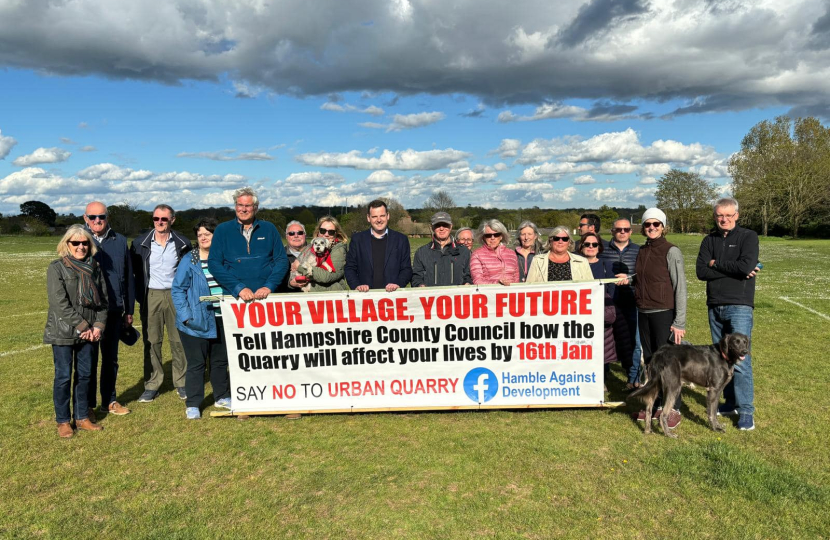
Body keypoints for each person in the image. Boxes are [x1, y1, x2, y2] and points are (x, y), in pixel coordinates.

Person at [696, 197, 760, 431]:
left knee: (741, 359)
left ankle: (746, 412)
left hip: (739, 304)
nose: (723, 219)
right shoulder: (709, 239)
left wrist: (716, 263)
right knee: (721, 358)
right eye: (719, 216)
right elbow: (701, 271)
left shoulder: (748, 237)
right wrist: (729, 268)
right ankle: (730, 402)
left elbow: (746, 267)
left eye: (728, 215)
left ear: (737, 216)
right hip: (715, 304)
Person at [44, 225, 109, 438]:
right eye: (76, 243)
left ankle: (82, 417)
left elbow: (103, 301)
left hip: (90, 334)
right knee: (63, 376)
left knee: (85, 376)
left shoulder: (95, 267)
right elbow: (59, 303)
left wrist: (98, 326)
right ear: (67, 244)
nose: (81, 247)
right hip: (64, 331)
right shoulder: (57, 268)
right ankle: (63, 421)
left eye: (85, 243)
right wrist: (83, 326)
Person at [131, 204, 191, 403]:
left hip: (176, 295)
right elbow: (134, 273)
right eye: (156, 219)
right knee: (152, 341)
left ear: (172, 220)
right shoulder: (140, 243)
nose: (159, 223)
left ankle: (181, 382)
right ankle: (152, 384)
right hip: (151, 295)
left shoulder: (182, 242)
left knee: (178, 341)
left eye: (164, 219)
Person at [633, 208, 687, 429]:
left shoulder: (671, 251)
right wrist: (628, 281)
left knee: (667, 364)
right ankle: (654, 402)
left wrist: (679, 322)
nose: (652, 228)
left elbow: (679, 286)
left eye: (656, 224)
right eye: (648, 225)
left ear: (663, 227)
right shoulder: (643, 251)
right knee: (651, 361)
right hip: (643, 313)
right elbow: (644, 280)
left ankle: (674, 407)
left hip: (663, 313)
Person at [172, 218, 230, 420]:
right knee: (197, 363)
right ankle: (194, 403)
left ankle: (222, 396)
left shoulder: (225, 257)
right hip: (196, 320)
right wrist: (186, 317)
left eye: (208, 234)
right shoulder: (190, 260)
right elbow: (178, 289)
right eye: (200, 235)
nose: (203, 237)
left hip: (222, 317)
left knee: (220, 360)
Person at [83, 201, 134, 417]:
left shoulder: (120, 240)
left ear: (107, 217)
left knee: (110, 359)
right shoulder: (78, 239)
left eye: (101, 217)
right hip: (88, 312)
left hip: (114, 310)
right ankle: (87, 405)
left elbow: (128, 277)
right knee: (88, 361)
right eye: (92, 217)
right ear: (85, 218)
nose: (97, 221)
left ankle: (109, 401)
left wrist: (129, 310)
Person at [208, 187, 289, 301]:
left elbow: (281, 261)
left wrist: (269, 286)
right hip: (234, 298)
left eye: (248, 206)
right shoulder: (222, 230)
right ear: (235, 206)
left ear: (255, 208)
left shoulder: (269, 228)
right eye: (240, 205)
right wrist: (239, 288)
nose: (243, 209)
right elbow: (214, 263)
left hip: (267, 297)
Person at [600, 218, 642, 388]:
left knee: (633, 341)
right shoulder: (602, 251)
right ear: (612, 231)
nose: (622, 232)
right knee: (606, 339)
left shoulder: (639, 251)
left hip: (632, 300)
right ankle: (603, 376)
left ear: (631, 232)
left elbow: (644, 275)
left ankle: (633, 378)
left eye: (626, 229)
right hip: (608, 302)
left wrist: (630, 280)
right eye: (619, 229)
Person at [345, 199, 412, 292]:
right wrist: (357, 286)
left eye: (382, 216)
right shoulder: (357, 240)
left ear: (388, 216)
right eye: (374, 216)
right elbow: (350, 268)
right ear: (368, 218)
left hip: (392, 298)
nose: (379, 220)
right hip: (365, 298)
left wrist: (398, 284)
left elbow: (406, 269)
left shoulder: (401, 240)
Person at [579, 232, 618, 382]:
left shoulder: (606, 264)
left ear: (599, 247)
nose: (590, 247)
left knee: (603, 345)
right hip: (581, 311)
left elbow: (611, 288)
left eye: (594, 244)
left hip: (601, 310)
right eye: (587, 244)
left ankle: (602, 379)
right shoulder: (576, 264)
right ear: (581, 246)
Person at [290, 215, 349, 292]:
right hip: (311, 294)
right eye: (323, 231)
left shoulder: (339, 250)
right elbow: (293, 268)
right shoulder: (310, 247)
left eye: (331, 232)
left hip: (332, 295)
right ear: (318, 232)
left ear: (336, 234)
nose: (326, 234)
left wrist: (300, 268)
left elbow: (326, 276)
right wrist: (291, 282)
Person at [412, 211, 472, 287]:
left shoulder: (464, 251)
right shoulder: (421, 252)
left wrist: (467, 283)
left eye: (445, 225)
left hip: (456, 297)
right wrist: (420, 285)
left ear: (451, 226)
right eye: (437, 225)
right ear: (432, 227)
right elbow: (416, 276)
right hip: (431, 297)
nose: (441, 228)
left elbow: (469, 275)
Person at [526, 226, 593, 283]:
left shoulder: (582, 262)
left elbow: (591, 287)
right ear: (550, 241)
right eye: (556, 238)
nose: (560, 242)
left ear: (569, 242)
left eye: (565, 239)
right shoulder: (537, 261)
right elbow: (529, 287)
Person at [470, 219, 519, 285]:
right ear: (484, 237)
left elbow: (516, 280)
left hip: (510, 294)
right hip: (489, 293)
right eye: (488, 235)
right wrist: (497, 283)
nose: (492, 238)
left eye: (496, 235)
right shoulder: (477, 255)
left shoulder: (512, 254)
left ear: (501, 236)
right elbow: (477, 281)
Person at [279, 220, 308, 292]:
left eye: (300, 233)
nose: (296, 236)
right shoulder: (279, 255)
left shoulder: (316, 252)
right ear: (286, 237)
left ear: (305, 235)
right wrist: (290, 284)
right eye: (291, 233)